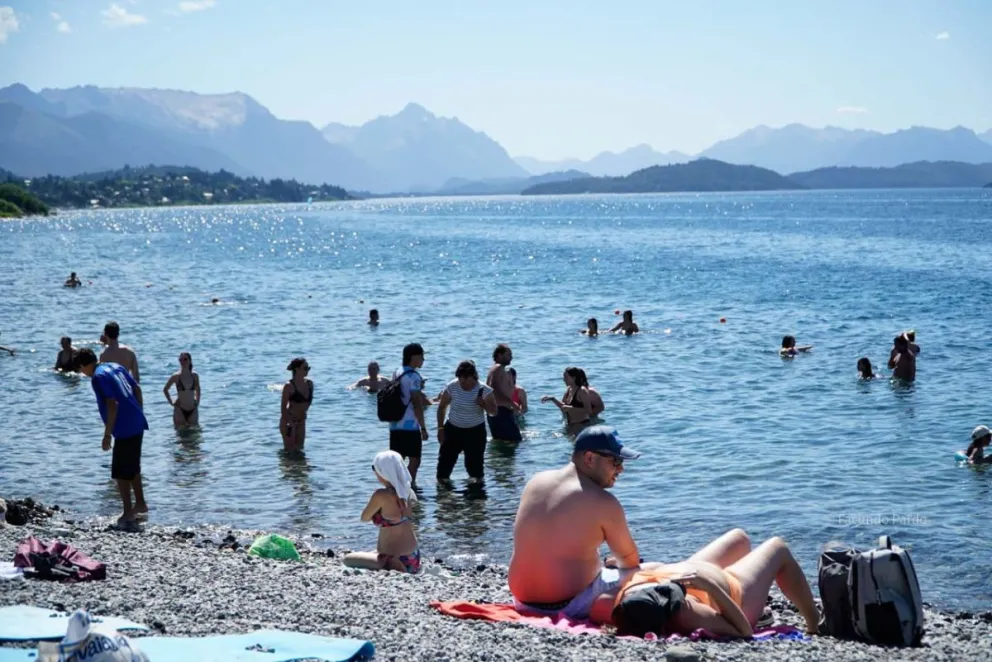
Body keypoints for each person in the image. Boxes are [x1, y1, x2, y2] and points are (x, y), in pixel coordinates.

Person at [509, 426, 644, 621]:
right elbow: (630, 561)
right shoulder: (603, 502)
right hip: (571, 603)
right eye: (616, 461)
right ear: (589, 458)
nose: (621, 469)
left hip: (522, 600)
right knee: (650, 571)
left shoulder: (536, 481)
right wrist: (618, 563)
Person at [610, 529, 820, 638]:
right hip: (732, 591)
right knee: (778, 547)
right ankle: (814, 623)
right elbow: (743, 631)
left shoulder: (629, 598)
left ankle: (762, 596)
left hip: (692, 571)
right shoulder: (687, 613)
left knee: (739, 538)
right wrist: (710, 586)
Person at [72, 348, 149, 525]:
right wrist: (139, 411)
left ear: (84, 365)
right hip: (137, 421)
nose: (82, 373)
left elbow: (112, 404)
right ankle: (141, 504)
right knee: (133, 467)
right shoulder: (115, 366)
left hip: (124, 427)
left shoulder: (98, 377)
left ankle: (128, 512)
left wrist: (107, 435)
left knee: (120, 473)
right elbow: (137, 389)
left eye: (81, 369)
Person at [343, 450, 421, 574]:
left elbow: (364, 518)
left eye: (375, 468)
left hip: (394, 560)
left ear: (382, 472)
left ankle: (380, 561)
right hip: (413, 556)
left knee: (347, 559)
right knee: (370, 554)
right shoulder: (408, 492)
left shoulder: (381, 495)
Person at [436, 360, 498, 486]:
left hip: (475, 432)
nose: (461, 381)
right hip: (453, 429)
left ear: (473, 376)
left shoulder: (485, 390)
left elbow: (494, 412)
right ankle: (444, 498)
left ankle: (475, 499)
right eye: (459, 378)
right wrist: (440, 429)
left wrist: (484, 405)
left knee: (475, 469)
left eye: (465, 378)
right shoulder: (452, 386)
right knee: (444, 466)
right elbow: (442, 407)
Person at [390, 343, 429, 483]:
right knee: (415, 460)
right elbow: (416, 404)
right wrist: (423, 428)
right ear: (413, 357)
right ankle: (408, 488)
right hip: (410, 426)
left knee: (397, 461)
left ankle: (395, 488)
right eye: (421, 356)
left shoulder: (397, 372)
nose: (423, 359)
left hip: (395, 424)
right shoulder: (414, 376)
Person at [487, 344, 523, 442]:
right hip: (500, 412)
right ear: (499, 355)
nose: (511, 357)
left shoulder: (498, 370)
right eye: (508, 354)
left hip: (499, 412)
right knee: (514, 441)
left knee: (504, 443)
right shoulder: (498, 368)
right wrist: (511, 403)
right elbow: (492, 391)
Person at [542, 367, 595, 433]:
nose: (564, 380)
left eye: (566, 377)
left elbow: (589, 411)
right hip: (570, 425)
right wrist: (553, 399)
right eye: (563, 377)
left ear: (574, 378)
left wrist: (571, 408)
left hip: (582, 425)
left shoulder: (582, 391)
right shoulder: (569, 389)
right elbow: (563, 407)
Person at [280, 357, 313, 451]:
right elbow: (283, 409)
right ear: (297, 369)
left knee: (300, 450)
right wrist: (290, 423)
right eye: (305, 368)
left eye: (308, 368)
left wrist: (303, 414)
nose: (307, 371)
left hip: (301, 421)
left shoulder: (310, 384)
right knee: (290, 452)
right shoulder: (289, 386)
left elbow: (308, 402)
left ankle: (298, 466)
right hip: (289, 421)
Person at [163, 352, 200, 427]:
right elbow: (165, 389)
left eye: (185, 359)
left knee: (195, 435)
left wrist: (197, 401)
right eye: (181, 360)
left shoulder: (195, 376)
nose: (183, 362)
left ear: (190, 361)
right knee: (180, 436)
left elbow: (198, 389)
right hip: (179, 409)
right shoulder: (176, 376)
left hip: (193, 409)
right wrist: (171, 402)